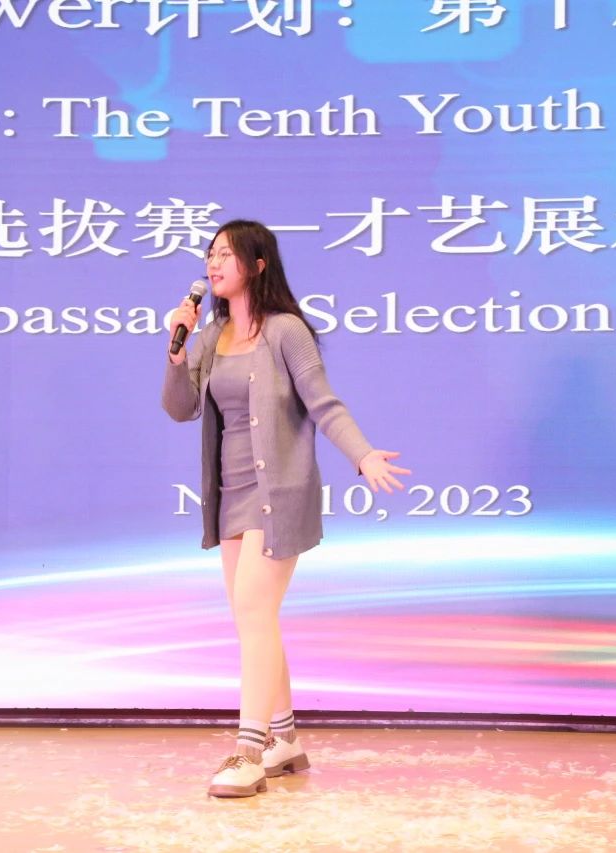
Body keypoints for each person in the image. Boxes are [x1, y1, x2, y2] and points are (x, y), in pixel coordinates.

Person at [161, 219, 411, 798]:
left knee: (254, 612)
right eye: (210, 254)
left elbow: (324, 404)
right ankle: (286, 739)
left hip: (280, 495)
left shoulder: (285, 330)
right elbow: (180, 409)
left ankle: (249, 752)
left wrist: (362, 454)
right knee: (255, 618)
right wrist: (176, 352)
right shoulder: (210, 336)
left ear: (258, 265)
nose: (213, 263)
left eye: (226, 254)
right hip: (231, 498)